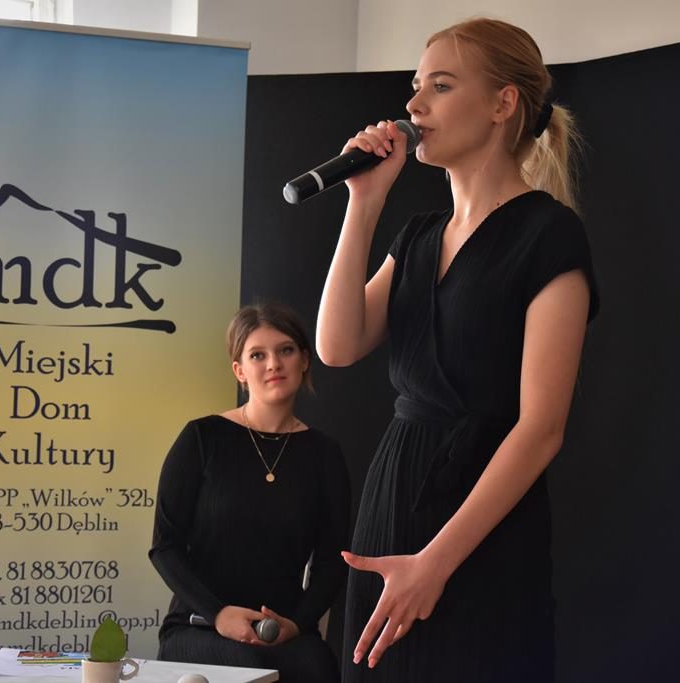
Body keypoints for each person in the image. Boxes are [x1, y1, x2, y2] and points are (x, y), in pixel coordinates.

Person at [316, 18, 601, 682]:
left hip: (479, 532)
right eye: (416, 86)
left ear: (504, 103)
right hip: (393, 502)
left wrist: (434, 563)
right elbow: (336, 345)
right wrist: (364, 202)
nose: (413, 105)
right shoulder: (419, 235)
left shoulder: (549, 235)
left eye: (440, 87)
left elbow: (542, 428)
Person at [149, 302, 351, 683]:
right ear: (240, 371)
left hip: (285, 630)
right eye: (258, 355)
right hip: (200, 625)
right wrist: (218, 614)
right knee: (251, 667)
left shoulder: (325, 454)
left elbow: (332, 561)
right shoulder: (201, 438)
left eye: (285, 350)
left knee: (319, 665)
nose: (273, 364)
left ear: (304, 360)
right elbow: (164, 547)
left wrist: (297, 623)